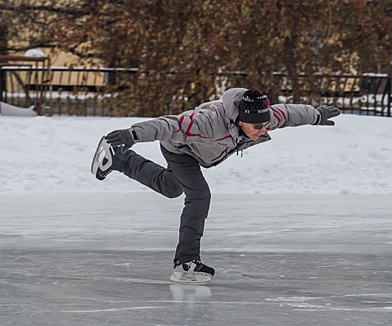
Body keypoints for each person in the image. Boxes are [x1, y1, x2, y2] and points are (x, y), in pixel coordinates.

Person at [90, 88, 340, 284]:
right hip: (180, 149)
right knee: (199, 196)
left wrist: (316, 116)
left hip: (199, 154)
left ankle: (119, 159)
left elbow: (288, 113)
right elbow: (169, 125)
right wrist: (133, 134)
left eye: (265, 126)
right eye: (257, 128)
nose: (262, 132)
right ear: (241, 120)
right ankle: (186, 263)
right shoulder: (207, 122)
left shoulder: (261, 117)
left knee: (170, 187)